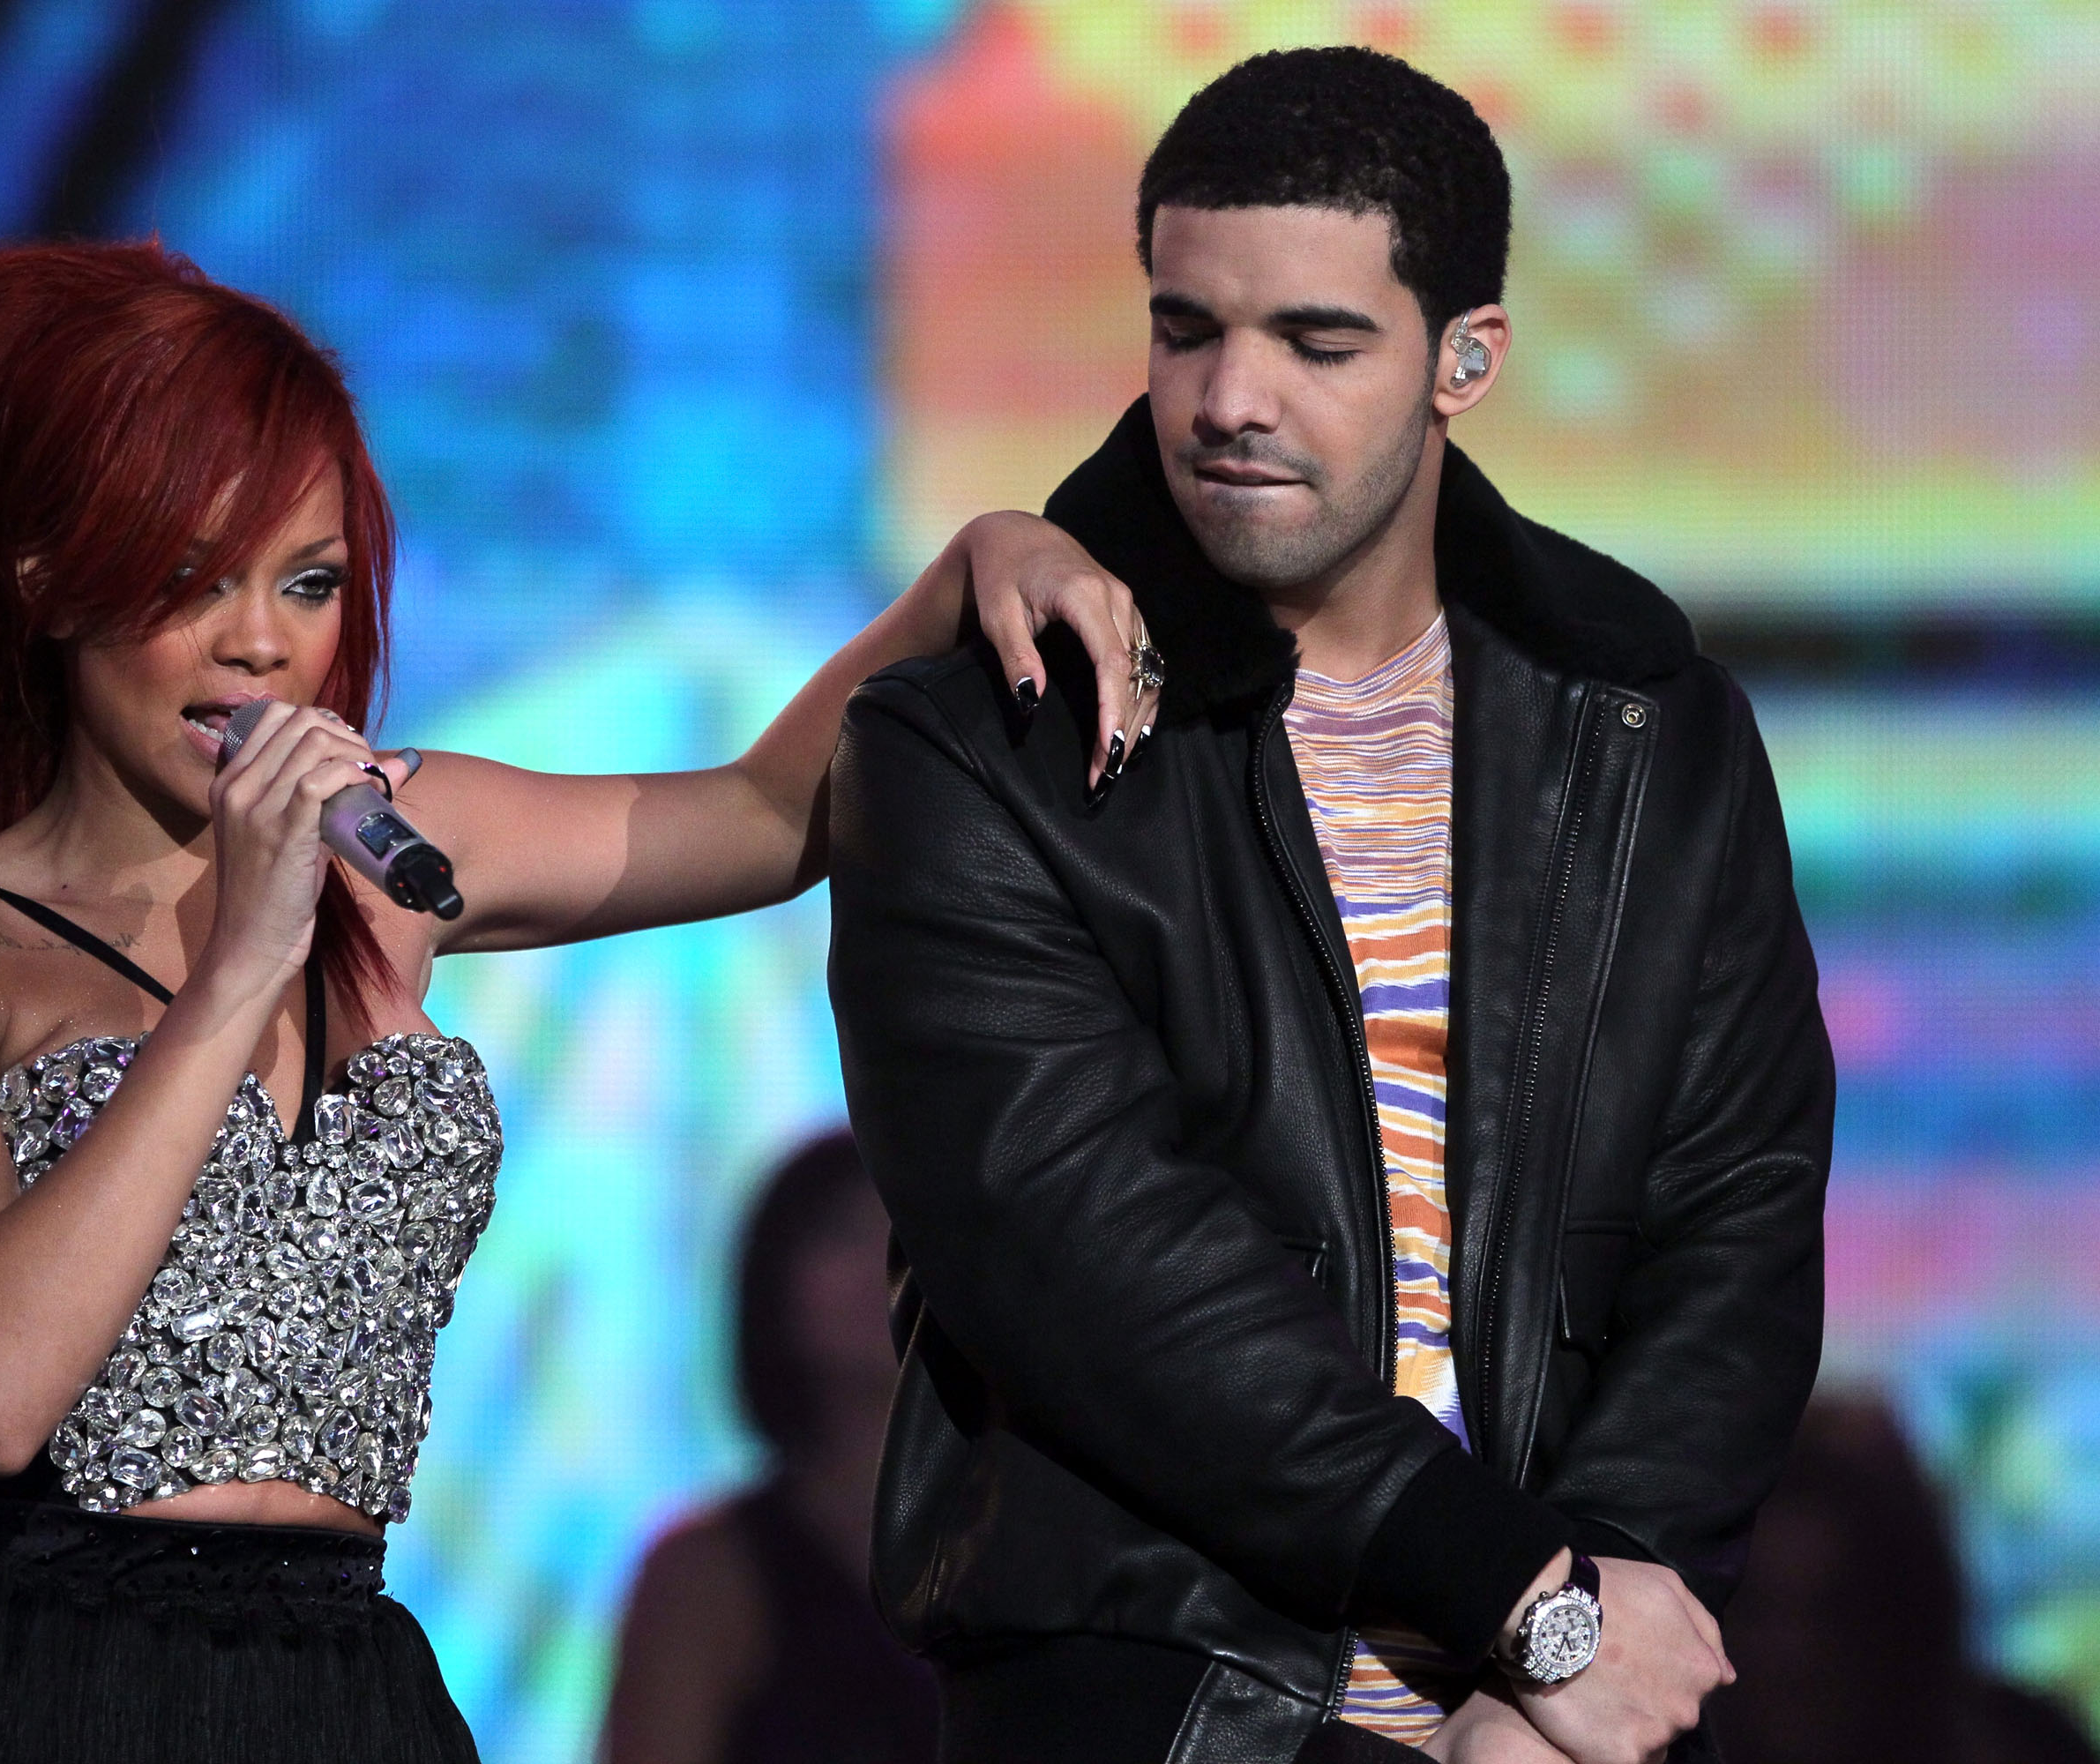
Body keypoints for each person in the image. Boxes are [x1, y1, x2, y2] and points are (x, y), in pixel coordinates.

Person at [0, 239, 1156, 1761]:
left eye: (305, 583)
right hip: (48, 1688)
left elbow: (770, 818)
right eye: (193, 579)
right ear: (50, 583)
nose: (263, 643)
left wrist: (970, 568)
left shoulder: (399, 847)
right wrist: (244, 961)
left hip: (345, 1680)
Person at [827, 48, 1833, 1764]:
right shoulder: (977, 741)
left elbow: (1739, 1215)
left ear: (1468, 358)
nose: (1229, 397)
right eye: (1186, 327)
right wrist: (1527, 1596)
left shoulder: (1647, 723)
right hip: (1164, 1702)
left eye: (1316, 340)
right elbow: (1082, 1253)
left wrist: (1566, 1665)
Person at [602, 1130, 938, 1764]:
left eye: (909, 1232)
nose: (881, 1264)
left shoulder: (1042, 1546)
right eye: (841, 1231)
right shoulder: (704, 1574)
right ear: (776, 1276)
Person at [1710, 1394, 2100, 1764]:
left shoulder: (2024, 1746)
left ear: (1909, 1613)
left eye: (1837, 1613)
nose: (1791, 1653)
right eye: (1758, 1611)